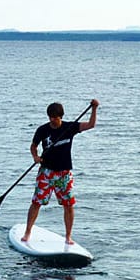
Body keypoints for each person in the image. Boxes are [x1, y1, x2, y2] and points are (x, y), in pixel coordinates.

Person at [21, 99, 99, 245]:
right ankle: (27, 232)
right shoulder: (42, 130)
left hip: (64, 174)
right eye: (50, 117)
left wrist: (94, 109)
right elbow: (33, 146)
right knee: (36, 202)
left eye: (55, 117)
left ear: (60, 116)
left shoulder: (70, 127)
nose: (52, 120)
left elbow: (91, 125)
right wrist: (35, 156)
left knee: (68, 205)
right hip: (46, 172)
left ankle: (68, 236)